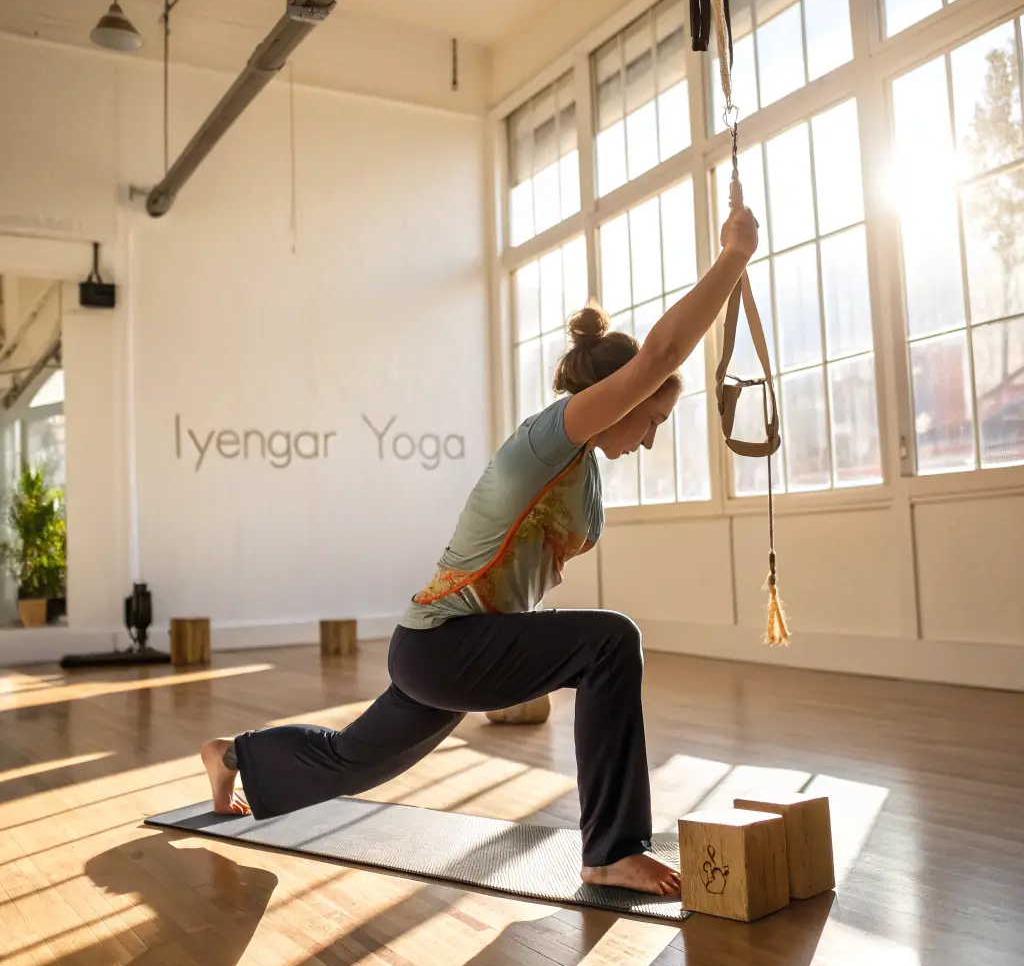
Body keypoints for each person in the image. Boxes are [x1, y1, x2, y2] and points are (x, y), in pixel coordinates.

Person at [202, 207, 759, 895]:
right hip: (445, 643)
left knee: (352, 760)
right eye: (652, 417)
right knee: (612, 642)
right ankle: (611, 848)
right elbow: (661, 355)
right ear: (616, 401)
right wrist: (734, 257)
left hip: (446, 646)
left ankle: (233, 755)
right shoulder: (555, 432)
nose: (649, 437)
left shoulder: (582, 464)